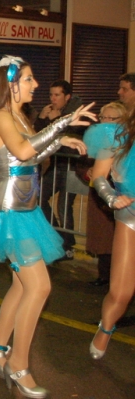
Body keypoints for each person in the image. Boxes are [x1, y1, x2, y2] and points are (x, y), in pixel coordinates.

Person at [0, 56, 94, 397]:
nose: (35, 85)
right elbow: (24, 151)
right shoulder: (0, 116)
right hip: (10, 214)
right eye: (28, 79)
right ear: (11, 84)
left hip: (26, 211)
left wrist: (59, 141)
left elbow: (31, 155)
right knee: (38, 288)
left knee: (22, 287)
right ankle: (18, 364)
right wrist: (63, 125)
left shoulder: (18, 116)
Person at [84, 99, 135, 361]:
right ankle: (106, 327)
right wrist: (112, 198)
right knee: (121, 292)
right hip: (130, 217)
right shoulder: (115, 136)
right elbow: (99, 176)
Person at [35, 80, 86, 258]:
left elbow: (67, 141)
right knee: (39, 198)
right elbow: (40, 138)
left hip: (71, 167)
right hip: (55, 165)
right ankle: (55, 237)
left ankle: (67, 245)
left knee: (64, 206)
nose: (53, 98)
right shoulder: (50, 112)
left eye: (57, 95)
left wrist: (55, 120)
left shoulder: (78, 114)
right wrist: (41, 119)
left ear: (67, 96)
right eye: (51, 94)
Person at [78, 102, 125, 286]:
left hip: (124, 197)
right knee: (103, 238)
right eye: (103, 118)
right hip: (101, 196)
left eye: (111, 118)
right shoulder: (95, 139)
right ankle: (105, 275)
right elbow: (82, 162)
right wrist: (89, 172)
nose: (106, 122)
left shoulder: (127, 141)